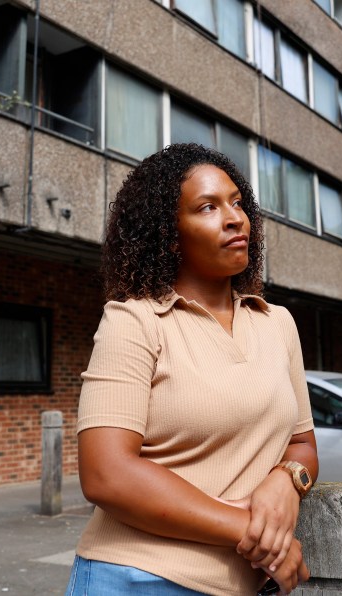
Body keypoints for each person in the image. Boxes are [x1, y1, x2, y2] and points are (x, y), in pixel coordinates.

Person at [68, 143, 318, 596]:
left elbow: (302, 444)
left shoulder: (277, 322)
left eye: (237, 203)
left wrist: (287, 482)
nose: (234, 218)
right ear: (169, 235)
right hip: (136, 577)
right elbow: (107, 473)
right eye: (207, 207)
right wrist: (254, 532)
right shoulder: (135, 321)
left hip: (244, 585)